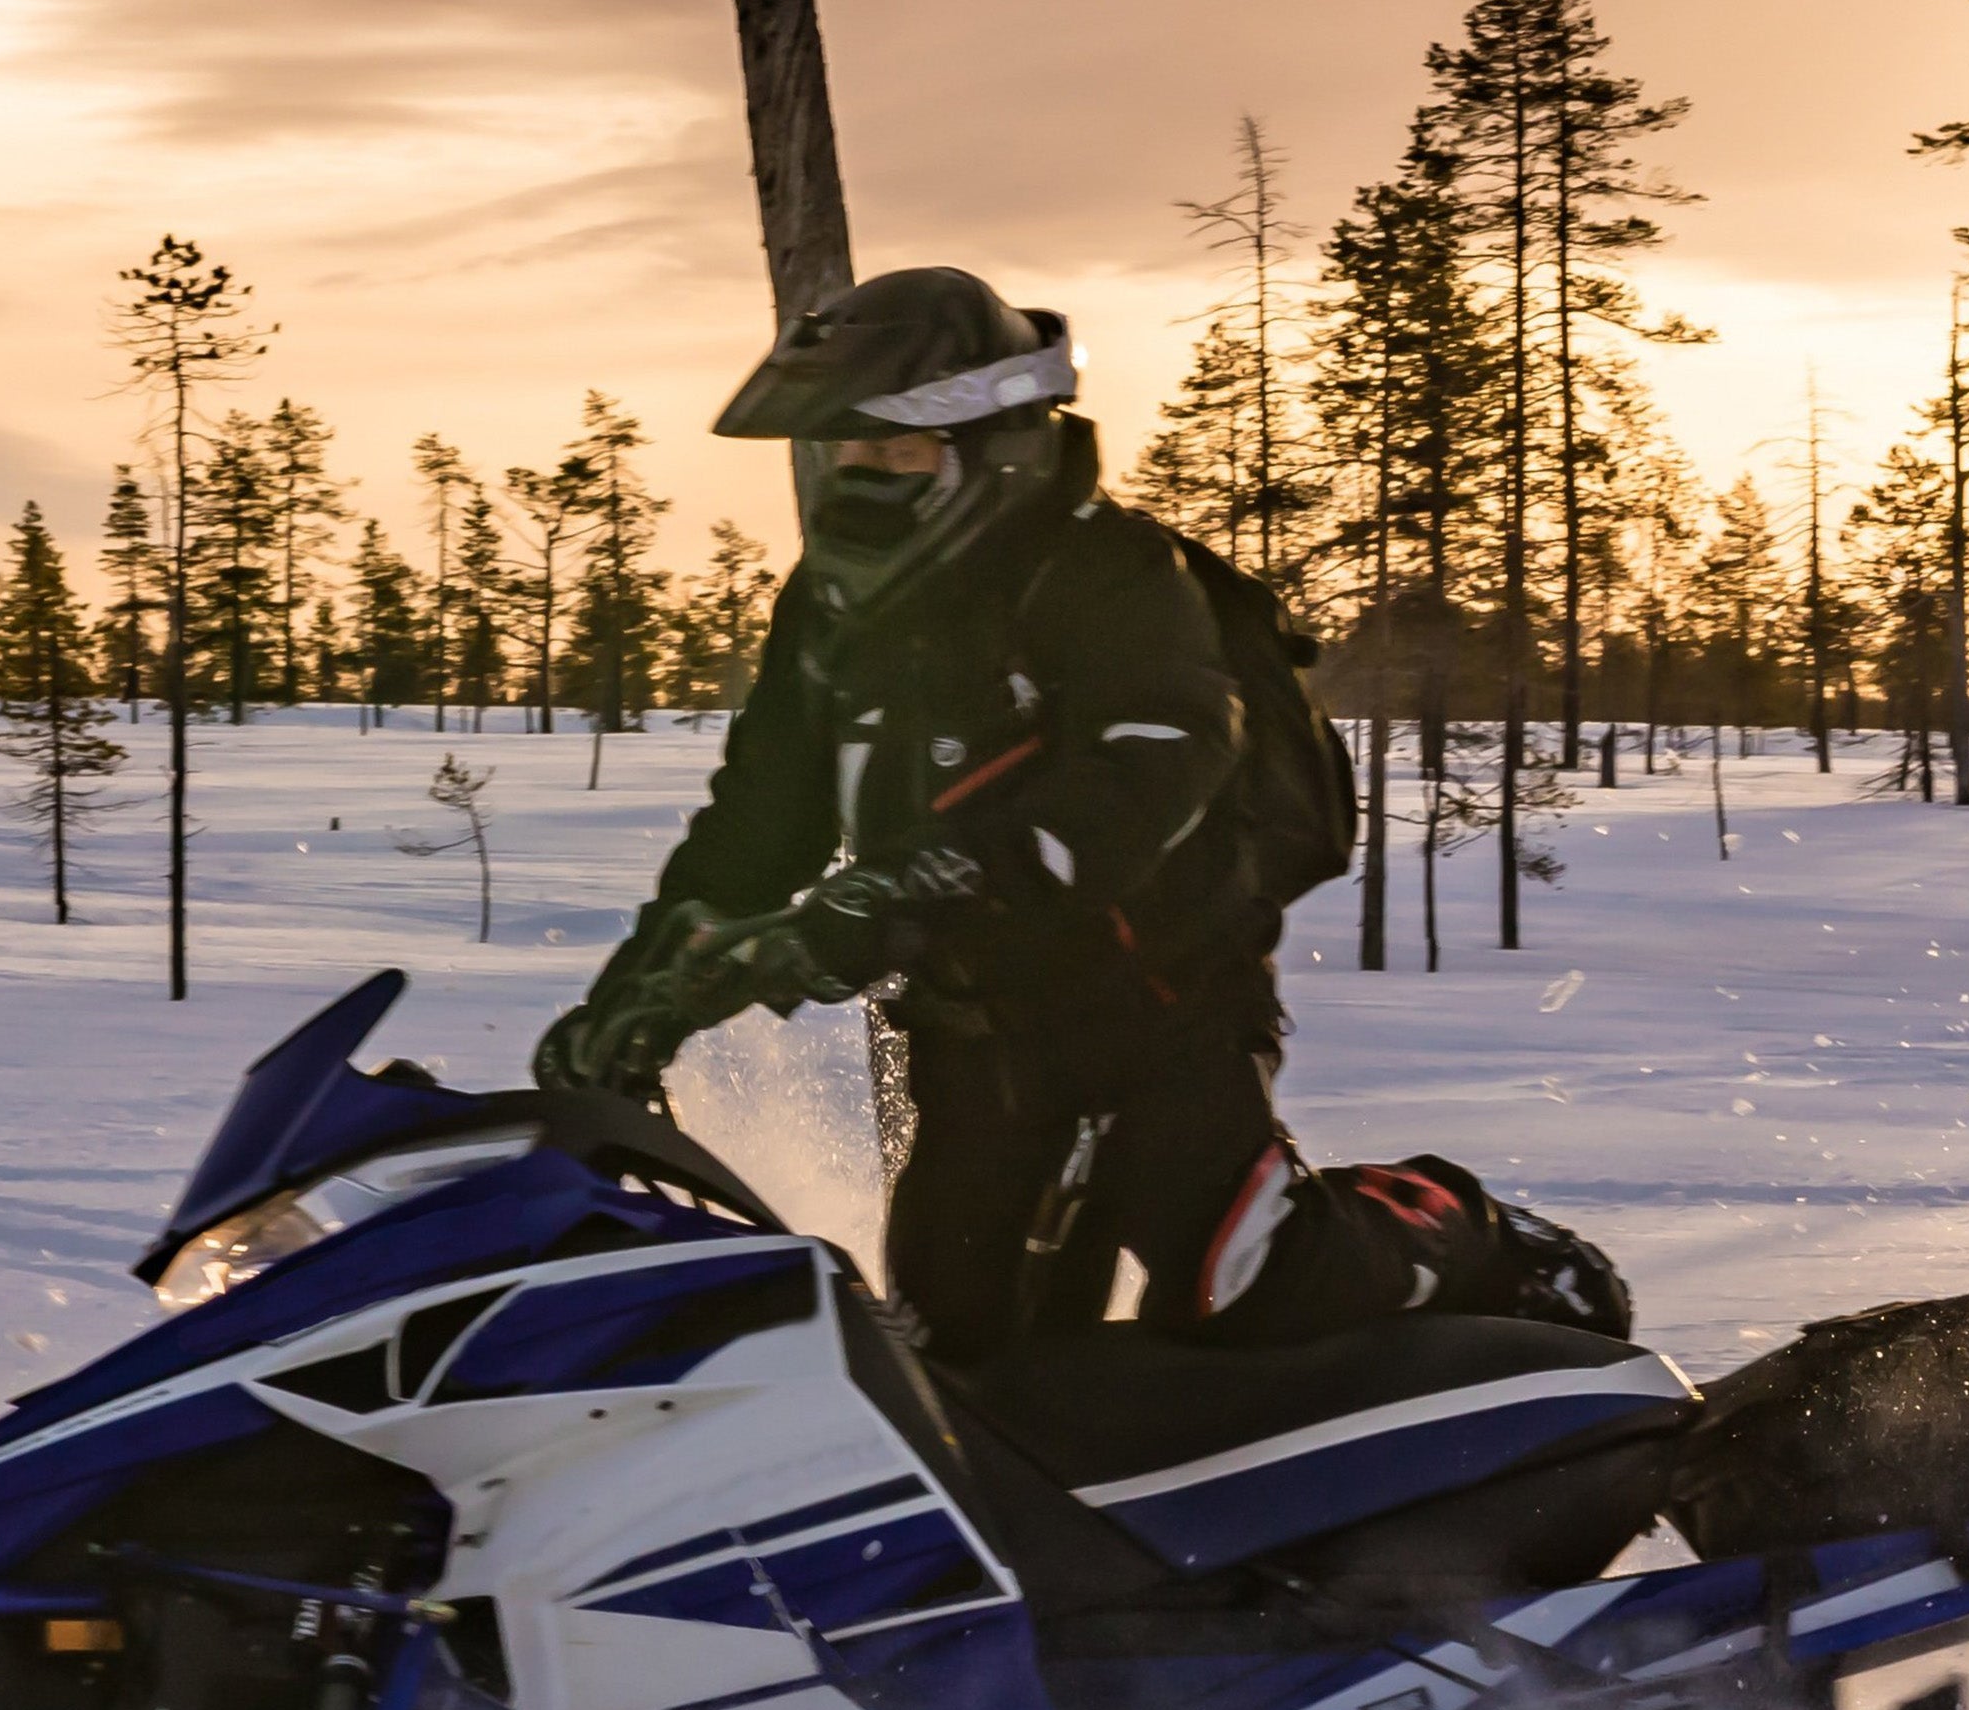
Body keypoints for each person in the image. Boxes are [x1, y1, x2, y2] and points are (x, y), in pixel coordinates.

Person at [531, 265, 1619, 1367]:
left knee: (1237, 1286)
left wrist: (911, 886)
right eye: (838, 453)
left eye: (893, 452)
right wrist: (633, 1002)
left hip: (1158, 1006)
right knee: (955, 1358)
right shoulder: (827, 610)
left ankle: (1466, 1226)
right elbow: (754, 828)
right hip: (967, 1034)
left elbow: (1155, 763)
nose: (856, 480)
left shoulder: (1108, 573)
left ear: (991, 444)